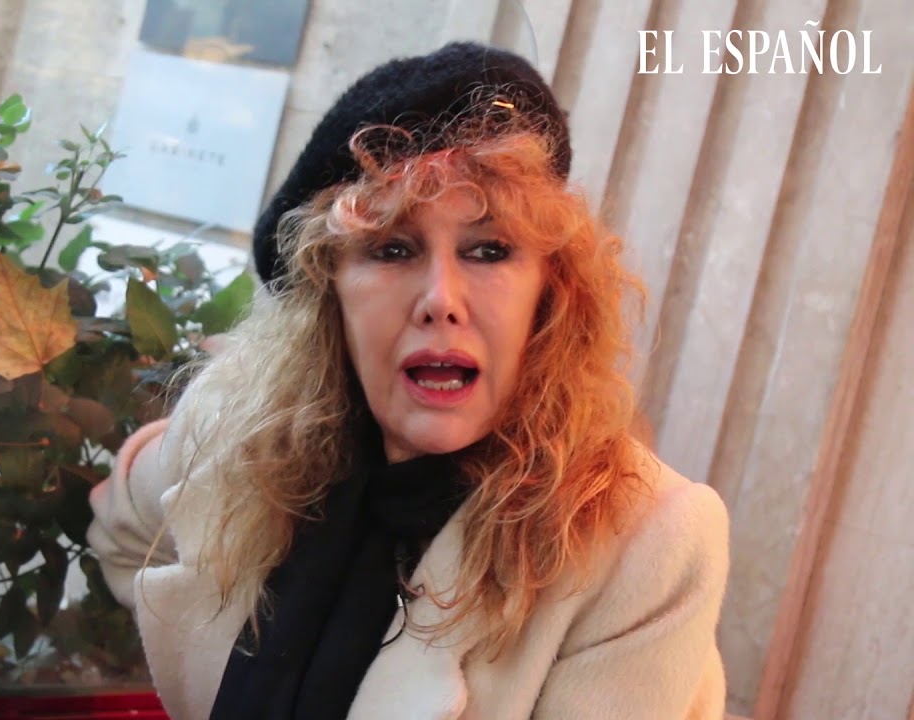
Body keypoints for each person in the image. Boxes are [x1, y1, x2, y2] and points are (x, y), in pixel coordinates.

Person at [88, 42, 729, 719]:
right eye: (393, 248)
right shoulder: (240, 430)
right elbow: (124, 533)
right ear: (329, 293)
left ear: (549, 292)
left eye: (489, 250)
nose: (441, 299)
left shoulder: (649, 546)